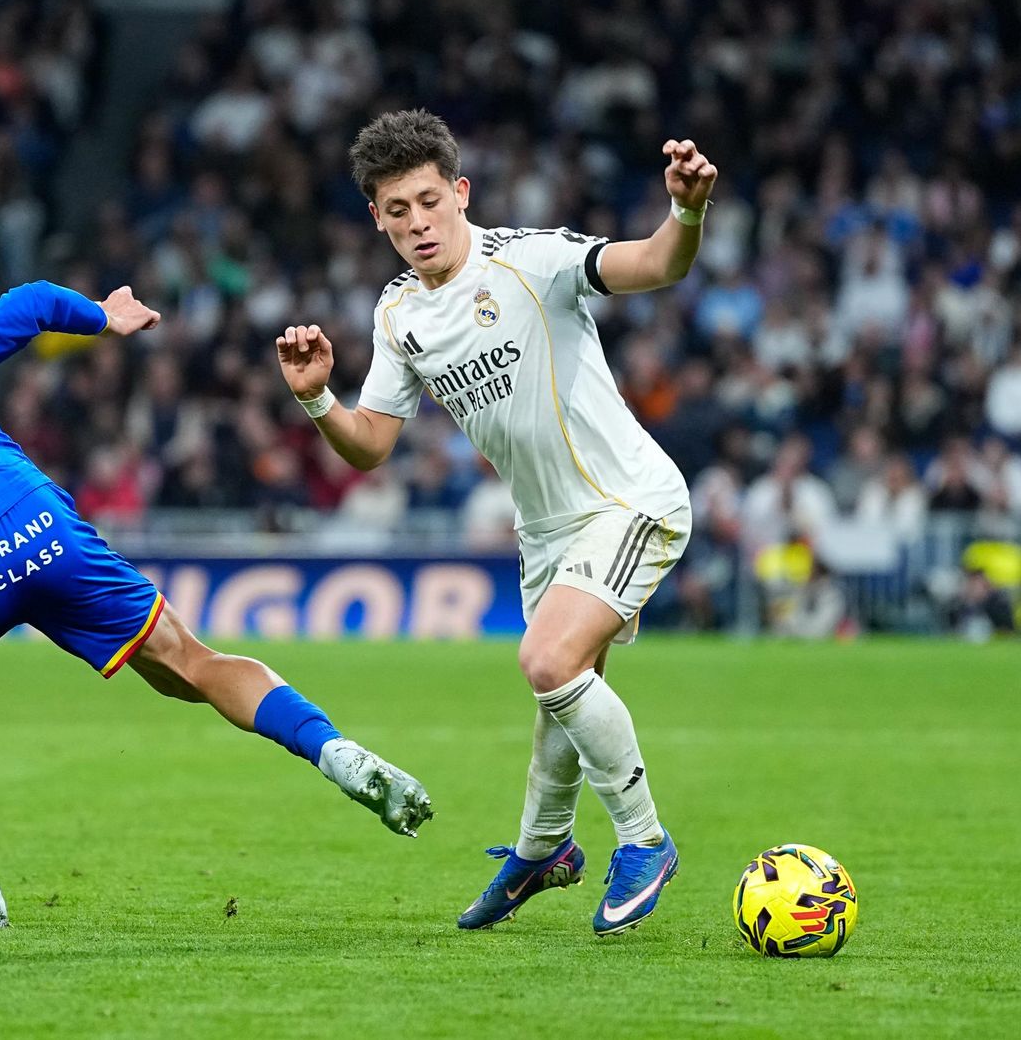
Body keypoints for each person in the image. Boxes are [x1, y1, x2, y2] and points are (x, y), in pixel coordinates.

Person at [0, 280, 432, 931]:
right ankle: (330, 747)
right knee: (189, 661)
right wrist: (103, 317)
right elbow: (34, 302)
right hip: (37, 518)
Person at [274, 109, 716, 937]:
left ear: (460, 193)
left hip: (628, 500)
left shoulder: (531, 260)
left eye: (428, 201)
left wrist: (685, 210)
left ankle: (645, 840)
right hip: (545, 532)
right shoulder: (398, 313)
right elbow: (370, 446)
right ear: (376, 219)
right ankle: (543, 849)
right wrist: (317, 398)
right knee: (562, 694)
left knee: (548, 662)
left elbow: (657, 263)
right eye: (397, 210)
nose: (417, 223)